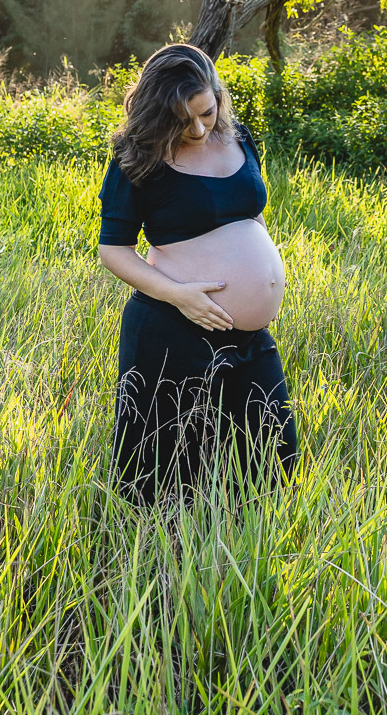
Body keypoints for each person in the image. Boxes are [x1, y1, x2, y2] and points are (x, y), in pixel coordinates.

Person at [98, 43, 297, 505]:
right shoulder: (139, 156)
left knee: (273, 461)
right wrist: (178, 294)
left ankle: (244, 545)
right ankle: (157, 551)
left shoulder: (239, 138)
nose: (198, 128)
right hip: (174, 330)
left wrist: (265, 277)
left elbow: (250, 213)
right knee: (164, 476)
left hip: (248, 336)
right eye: (181, 120)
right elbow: (114, 250)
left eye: (207, 112)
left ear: (219, 96)